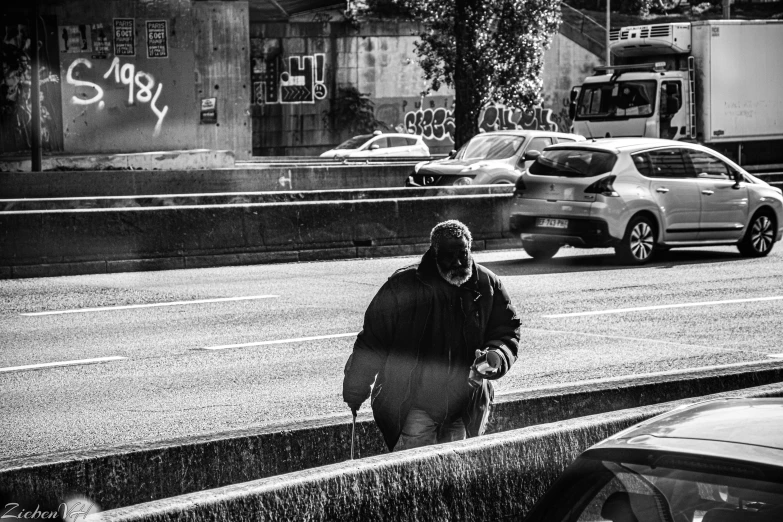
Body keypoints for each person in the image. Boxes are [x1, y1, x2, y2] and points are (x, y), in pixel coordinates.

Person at [342, 220, 521, 451]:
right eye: (449, 255)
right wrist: (356, 388)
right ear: (434, 254)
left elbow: (507, 330)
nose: (457, 262)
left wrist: (496, 355)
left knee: (456, 479)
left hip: (465, 405)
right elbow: (372, 342)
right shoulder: (403, 286)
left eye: (463, 254)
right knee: (413, 474)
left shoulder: (487, 285)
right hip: (414, 405)